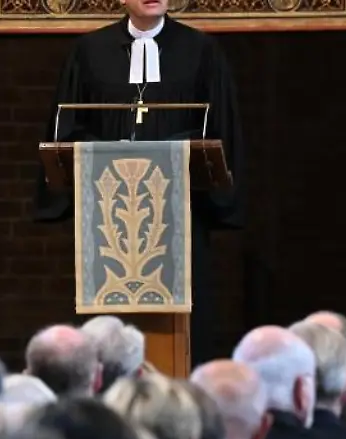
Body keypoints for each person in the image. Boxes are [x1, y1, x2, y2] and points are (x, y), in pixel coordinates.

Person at [38, 0, 244, 366]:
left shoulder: (201, 50)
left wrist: (171, 151)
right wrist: (109, 152)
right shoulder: (89, 51)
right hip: (108, 210)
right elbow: (67, 127)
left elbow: (220, 128)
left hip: (179, 207)